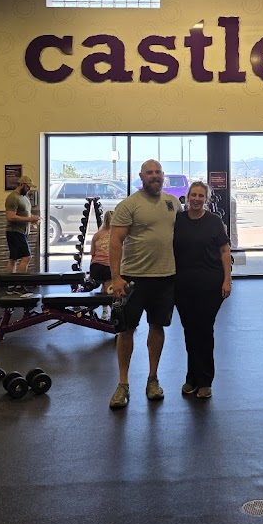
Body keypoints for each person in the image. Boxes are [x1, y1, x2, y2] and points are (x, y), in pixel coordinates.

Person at [107, 159, 181, 409]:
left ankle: (153, 379)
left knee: (157, 327)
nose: (154, 176)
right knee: (126, 330)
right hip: (133, 279)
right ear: (141, 176)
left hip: (165, 277)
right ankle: (123, 383)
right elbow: (115, 242)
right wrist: (116, 278)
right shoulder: (129, 205)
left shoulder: (173, 203)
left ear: (163, 175)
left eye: (158, 172)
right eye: (149, 172)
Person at [173, 181, 232, 399]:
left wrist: (227, 280)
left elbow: (225, 251)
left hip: (210, 284)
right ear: (187, 197)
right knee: (190, 332)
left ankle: (205, 380)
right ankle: (192, 378)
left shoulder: (214, 221)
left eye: (201, 196)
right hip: (183, 285)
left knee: (204, 331)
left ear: (206, 199)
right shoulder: (178, 220)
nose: (197, 199)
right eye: (194, 195)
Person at [5, 174, 39, 273]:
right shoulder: (13, 198)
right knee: (27, 257)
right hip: (15, 232)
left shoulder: (24, 197)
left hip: (22, 232)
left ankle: (11, 282)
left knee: (13, 258)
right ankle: (20, 281)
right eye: (28, 186)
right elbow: (10, 216)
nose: (29, 189)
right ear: (22, 184)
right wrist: (29, 219)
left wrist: (33, 218)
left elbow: (24, 213)